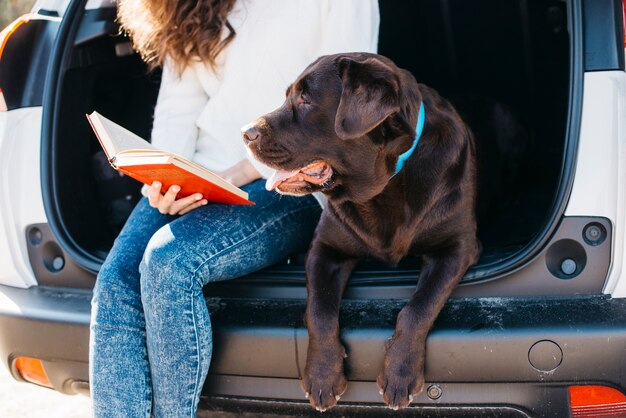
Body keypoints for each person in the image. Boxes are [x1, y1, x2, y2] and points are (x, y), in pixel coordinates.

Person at [88, 0, 380, 417]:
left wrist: (245, 168)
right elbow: (178, 107)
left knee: (168, 262)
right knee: (116, 279)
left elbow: (343, 112)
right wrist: (161, 177)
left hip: (289, 180)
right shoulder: (194, 6)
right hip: (200, 173)